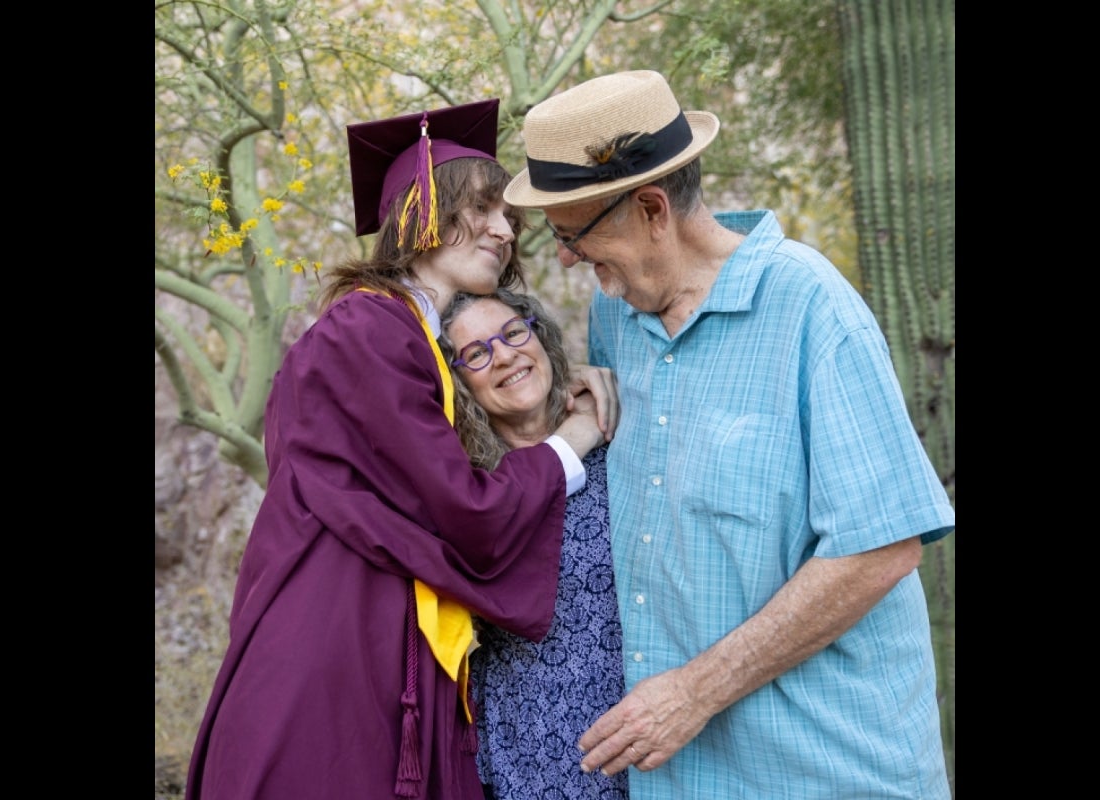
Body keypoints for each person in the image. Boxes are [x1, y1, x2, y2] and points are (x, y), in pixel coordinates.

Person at [503, 70, 956, 799]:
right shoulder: (615, 316)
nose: (564, 258)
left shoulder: (811, 308)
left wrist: (692, 693)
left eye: (573, 235)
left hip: (825, 772)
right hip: (681, 778)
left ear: (652, 209)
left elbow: (882, 546)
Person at [184, 98, 619, 800]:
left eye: (508, 216)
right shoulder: (368, 331)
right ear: (425, 209)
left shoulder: (407, 338)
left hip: (376, 652)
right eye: (486, 208)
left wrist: (562, 392)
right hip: (332, 659)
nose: (506, 230)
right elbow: (466, 512)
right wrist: (577, 437)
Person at [439, 288, 629, 800]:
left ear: (538, 336)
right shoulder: (472, 490)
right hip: (534, 743)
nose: (503, 354)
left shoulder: (624, 438)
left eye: (513, 333)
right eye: (476, 354)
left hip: (655, 721)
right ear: (458, 382)